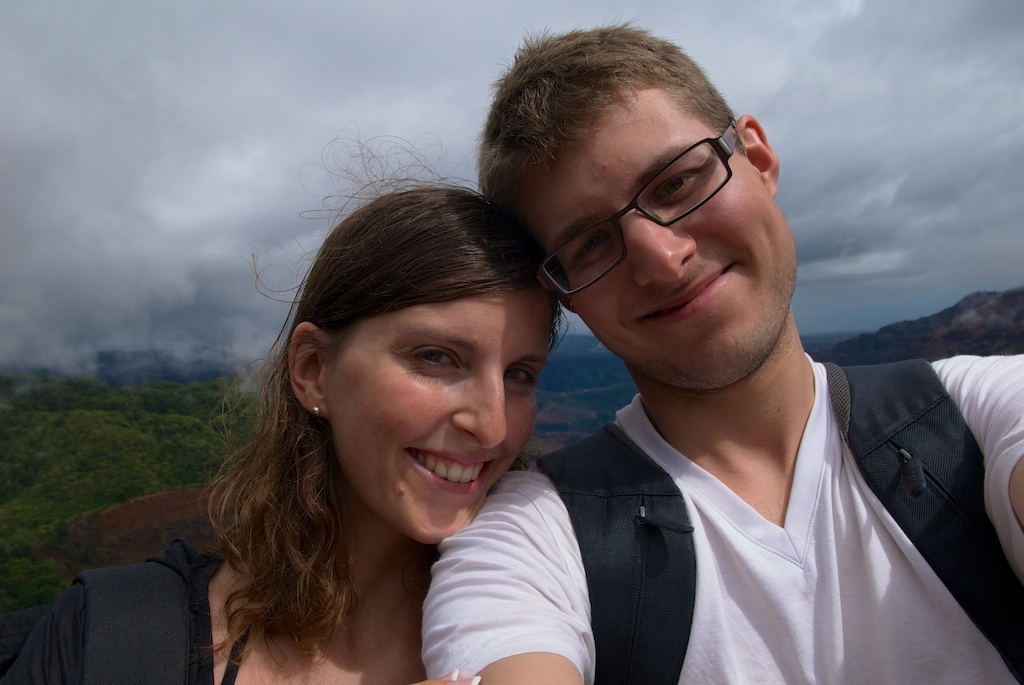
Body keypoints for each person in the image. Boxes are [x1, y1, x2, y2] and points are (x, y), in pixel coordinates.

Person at [422, 24, 1024, 684]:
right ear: (565, 295)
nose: (662, 258)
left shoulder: (978, 418)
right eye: (591, 243)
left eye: (678, 183)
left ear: (758, 159)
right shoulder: (533, 537)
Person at [4, 184, 561, 685]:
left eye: (519, 374)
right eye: (436, 357)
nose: (492, 426)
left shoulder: (548, 627)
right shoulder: (110, 638)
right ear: (313, 369)